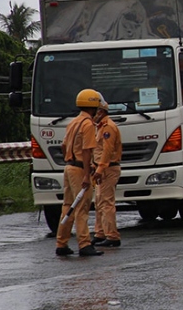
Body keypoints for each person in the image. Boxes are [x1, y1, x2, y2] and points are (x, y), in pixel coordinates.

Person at [55, 89, 104, 257]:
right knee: (82, 207)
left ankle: (61, 243)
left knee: (68, 206)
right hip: (78, 170)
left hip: (68, 167)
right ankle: (84, 244)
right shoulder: (88, 124)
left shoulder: (73, 122)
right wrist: (86, 175)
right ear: (94, 107)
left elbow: (63, 146)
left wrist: (70, 158)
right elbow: (87, 151)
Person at [91, 94, 123, 248]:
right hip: (101, 168)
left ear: (101, 112)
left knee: (106, 202)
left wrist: (100, 168)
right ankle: (100, 233)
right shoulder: (99, 127)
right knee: (99, 202)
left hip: (108, 169)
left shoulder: (108, 127)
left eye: (94, 112)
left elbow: (107, 151)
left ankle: (112, 236)